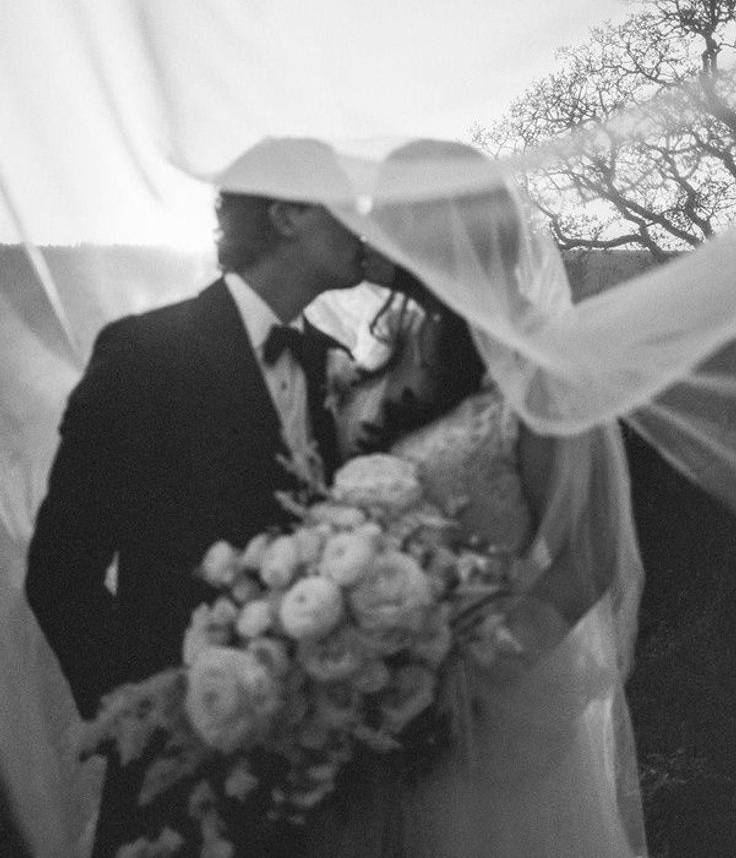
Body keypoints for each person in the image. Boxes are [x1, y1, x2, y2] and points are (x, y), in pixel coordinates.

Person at [24, 137, 366, 858]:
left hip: (321, 776)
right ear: (288, 214)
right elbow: (61, 569)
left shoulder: (334, 367)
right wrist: (147, 716)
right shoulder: (146, 352)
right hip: (176, 785)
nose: (362, 226)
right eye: (346, 206)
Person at [308, 139, 647, 858]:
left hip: (489, 717)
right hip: (366, 705)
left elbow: (591, 556)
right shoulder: (386, 355)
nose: (373, 234)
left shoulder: (542, 365)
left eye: (390, 217)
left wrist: (462, 676)